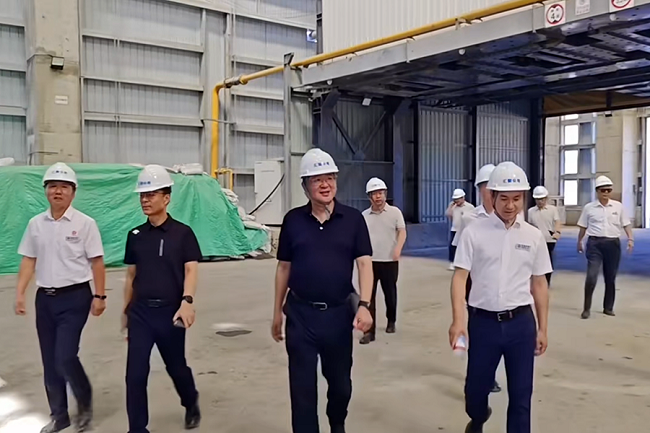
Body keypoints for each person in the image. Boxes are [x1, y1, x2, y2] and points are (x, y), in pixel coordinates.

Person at [271, 148, 374, 433]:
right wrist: (277, 312)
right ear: (305, 186)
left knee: (341, 385)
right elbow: (283, 268)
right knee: (302, 390)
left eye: (330, 178)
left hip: (338, 315)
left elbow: (364, 264)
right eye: (317, 180)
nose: (325, 185)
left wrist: (365, 305)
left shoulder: (352, 219)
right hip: (300, 315)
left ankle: (337, 421)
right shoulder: (293, 220)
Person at [449, 161, 551, 433]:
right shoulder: (473, 232)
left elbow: (539, 283)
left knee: (521, 395)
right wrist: (458, 321)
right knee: (475, 390)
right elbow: (459, 277)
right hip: (483, 324)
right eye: (504, 198)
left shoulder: (533, 236)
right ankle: (478, 417)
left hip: (521, 324)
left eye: (517, 198)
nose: (510, 205)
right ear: (491, 196)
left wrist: (543, 328)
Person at [15, 162, 106, 433]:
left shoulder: (85, 224)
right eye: (52, 186)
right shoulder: (36, 224)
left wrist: (100, 295)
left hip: (75, 298)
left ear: (73, 192)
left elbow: (97, 262)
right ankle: (60, 416)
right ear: (45, 191)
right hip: (45, 299)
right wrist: (20, 292)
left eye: (64, 187)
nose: (58, 191)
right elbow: (29, 260)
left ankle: (85, 401)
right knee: (49, 361)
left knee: (65, 356)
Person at [122, 164, 202, 433]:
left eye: (151, 195)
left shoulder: (183, 233)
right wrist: (125, 312)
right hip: (140, 314)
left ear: (166, 198)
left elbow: (191, 270)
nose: (145, 200)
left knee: (176, 367)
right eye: (142, 195)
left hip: (170, 313)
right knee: (135, 375)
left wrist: (187, 302)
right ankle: (137, 429)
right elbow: (131, 276)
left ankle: (191, 402)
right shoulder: (135, 236)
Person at [451, 163, 501, 394]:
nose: (491, 191)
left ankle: (490, 375)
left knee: (499, 335)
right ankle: (478, 379)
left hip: (503, 282)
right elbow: (462, 259)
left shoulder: (513, 216)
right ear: (480, 189)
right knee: (479, 333)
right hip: (476, 283)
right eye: (486, 187)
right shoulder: (470, 218)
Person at [577, 175, 633, 319]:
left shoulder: (618, 207)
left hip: (612, 244)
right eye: (603, 190)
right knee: (591, 276)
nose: (606, 193)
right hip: (594, 244)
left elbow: (626, 224)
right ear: (597, 191)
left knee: (610, 277)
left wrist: (630, 239)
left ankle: (608, 307)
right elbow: (583, 227)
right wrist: (579, 241)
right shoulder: (589, 208)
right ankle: (586, 308)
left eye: (608, 190)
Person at [360, 177, 407, 344]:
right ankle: (369, 332)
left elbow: (402, 231)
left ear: (385, 194)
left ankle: (391, 320)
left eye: (380, 193)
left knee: (390, 293)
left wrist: (398, 248)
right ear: (369, 197)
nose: (378, 196)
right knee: (368, 297)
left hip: (389, 260)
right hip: (370, 262)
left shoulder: (395, 212)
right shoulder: (364, 216)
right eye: (374, 193)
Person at [528, 186, 562, 285]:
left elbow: (557, 221)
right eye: (538, 199)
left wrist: (557, 232)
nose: (540, 201)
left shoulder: (552, 210)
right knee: (536, 261)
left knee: (547, 261)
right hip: (536, 240)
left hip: (549, 240)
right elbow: (529, 225)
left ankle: (546, 283)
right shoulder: (530, 211)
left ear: (546, 198)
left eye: (542, 199)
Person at [446, 189, 474, 270]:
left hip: (465, 229)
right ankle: (452, 262)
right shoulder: (453, 206)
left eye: (458, 199)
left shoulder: (469, 207)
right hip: (455, 229)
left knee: (465, 247)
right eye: (455, 199)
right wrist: (451, 207)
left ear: (463, 198)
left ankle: (466, 263)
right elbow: (448, 215)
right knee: (452, 246)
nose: (456, 201)